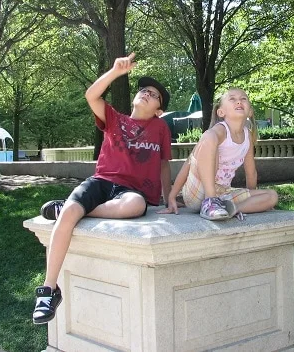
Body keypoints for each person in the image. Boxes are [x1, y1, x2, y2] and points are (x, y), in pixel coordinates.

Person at [32, 52, 172, 324]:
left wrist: (170, 199)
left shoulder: (160, 128)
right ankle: (49, 289)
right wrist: (114, 72)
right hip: (101, 182)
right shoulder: (114, 118)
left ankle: (72, 210)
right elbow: (91, 96)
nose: (146, 93)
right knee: (69, 215)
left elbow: (164, 164)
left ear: (159, 109)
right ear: (134, 96)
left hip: (131, 191)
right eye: (143, 89)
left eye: (154, 95)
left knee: (136, 206)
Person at [158, 87, 277, 220]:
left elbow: (251, 173)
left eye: (243, 99)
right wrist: (172, 196)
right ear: (221, 112)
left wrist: (253, 197)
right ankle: (210, 202)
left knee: (272, 196)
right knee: (209, 137)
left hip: (223, 194)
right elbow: (189, 163)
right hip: (197, 192)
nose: (239, 102)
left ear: (250, 111)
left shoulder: (247, 136)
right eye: (232, 99)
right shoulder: (218, 132)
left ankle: (232, 209)